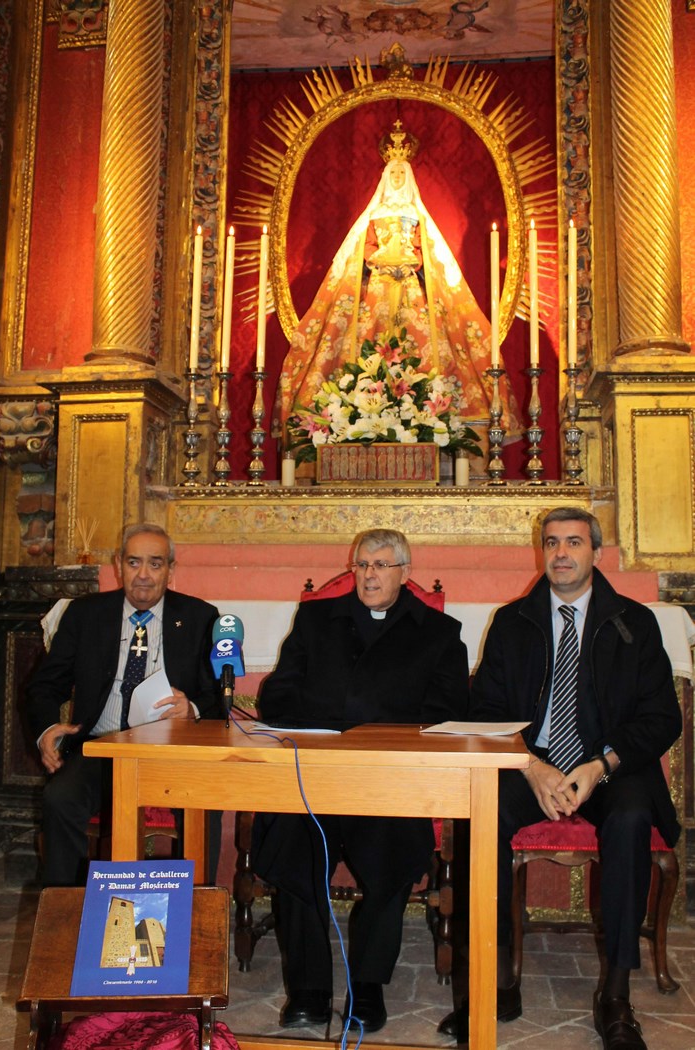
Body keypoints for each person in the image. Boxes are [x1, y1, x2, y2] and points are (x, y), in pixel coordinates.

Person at [439, 507, 682, 1050]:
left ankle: (616, 995)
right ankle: (497, 979)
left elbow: (663, 717)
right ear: (540, 551)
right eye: (551, 543)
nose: (561, 554)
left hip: (610, 764)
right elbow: (486, 711)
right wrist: (530, 765)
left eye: (574, 542)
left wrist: (601, 766)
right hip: (535, 761)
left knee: (631, 817)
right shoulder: (514, 621)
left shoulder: (634, 623)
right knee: (485, 811)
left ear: (596, 552)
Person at [251, 528, 469, 1033]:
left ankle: (367, 987)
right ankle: (308, 988)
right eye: (362, 565)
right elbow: (278, 691)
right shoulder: (317, 619)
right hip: (316, 770)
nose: (369, 574)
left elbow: (447, 710)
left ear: (404, 574)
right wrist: (309, 732)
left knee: (393, 856)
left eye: (381, 565)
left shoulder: (437, 632)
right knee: (293, 845)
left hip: (387, 777)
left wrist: (381, 741)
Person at [276, 121, 520, 442]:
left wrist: (413, 262)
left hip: (410, 287)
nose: (396, 178)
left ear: (409, 179)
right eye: (392, 174)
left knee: (419, 342)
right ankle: (366, 397)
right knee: (369, 339)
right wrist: (376, 260)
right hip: (376, 288)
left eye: (401, 174)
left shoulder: (417, 217)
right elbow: (365, 251)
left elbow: (426, 253)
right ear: (384, 178)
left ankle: (421, 400)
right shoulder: (373, 218)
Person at [27, 523, 222, 887]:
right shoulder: (85, 615)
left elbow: (218, 698)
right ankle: (66, 914)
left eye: (155, 564)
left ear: (171, 569)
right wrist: (46, 730)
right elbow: (44, 685)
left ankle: (196, 914)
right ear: (118, 565)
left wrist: (192, 708)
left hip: (173, 753)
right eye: (134, 563)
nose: (144, 576)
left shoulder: (201, 618)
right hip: (102, 748)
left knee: (206, 805)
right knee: (59, 798)